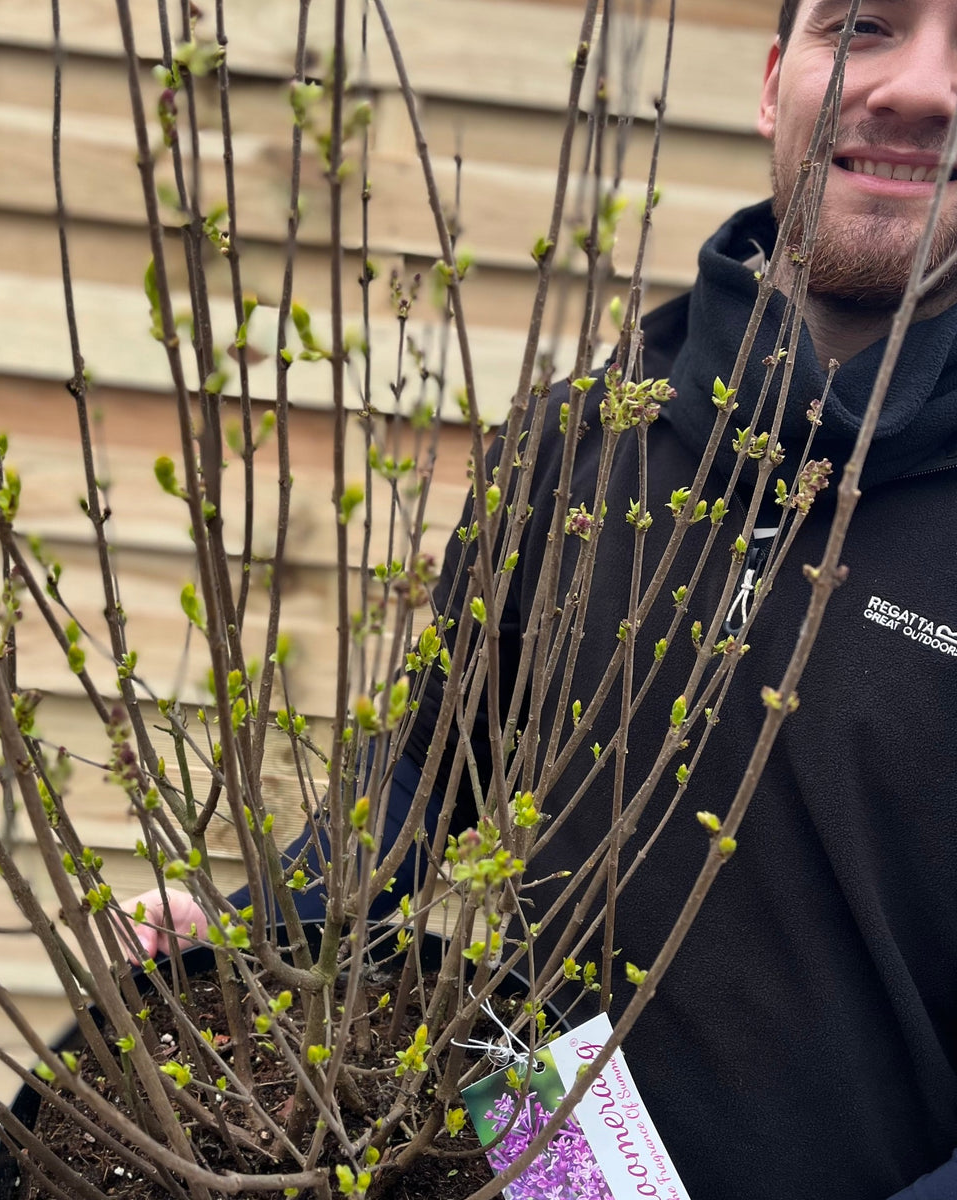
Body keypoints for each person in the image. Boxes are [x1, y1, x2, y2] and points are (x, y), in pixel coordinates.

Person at [131, 2, 957, 1196]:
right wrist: (264, 932)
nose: (922, 88)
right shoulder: (583, 445)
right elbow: (431, 778)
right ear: (778, 82)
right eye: (867, 24)